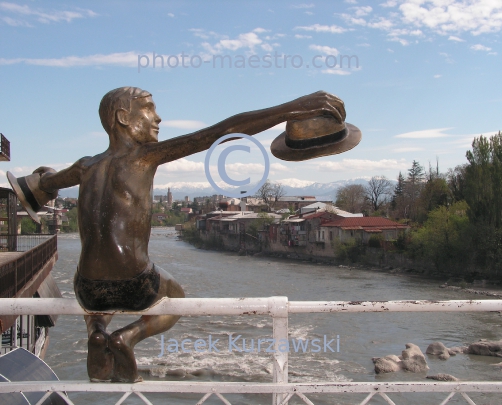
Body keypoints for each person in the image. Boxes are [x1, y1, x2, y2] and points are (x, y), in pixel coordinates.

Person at [33, 86, 345, 382]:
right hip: (135, 285)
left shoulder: (85, 166)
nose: (158, 118)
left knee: (95, 292)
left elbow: (45, 185)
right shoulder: (144, 157)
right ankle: (127, 336)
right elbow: (218, 133)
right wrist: (292, 108)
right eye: (149, 108)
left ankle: (97, 328)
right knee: (176, 295)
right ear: (124, 119)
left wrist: (44, 177)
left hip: (86, 287)